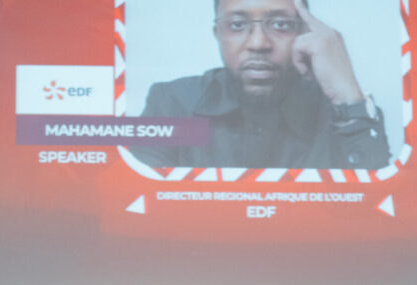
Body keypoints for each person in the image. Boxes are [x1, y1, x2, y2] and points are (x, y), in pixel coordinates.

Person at [130, 0, 390, 169]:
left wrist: (348, 95)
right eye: (237, 25)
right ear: (218, 35)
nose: (258, 43)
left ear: (304, 33)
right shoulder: (170, 102)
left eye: (281, 24)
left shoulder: (344, 111)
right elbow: (138, 208)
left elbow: (374, 214)